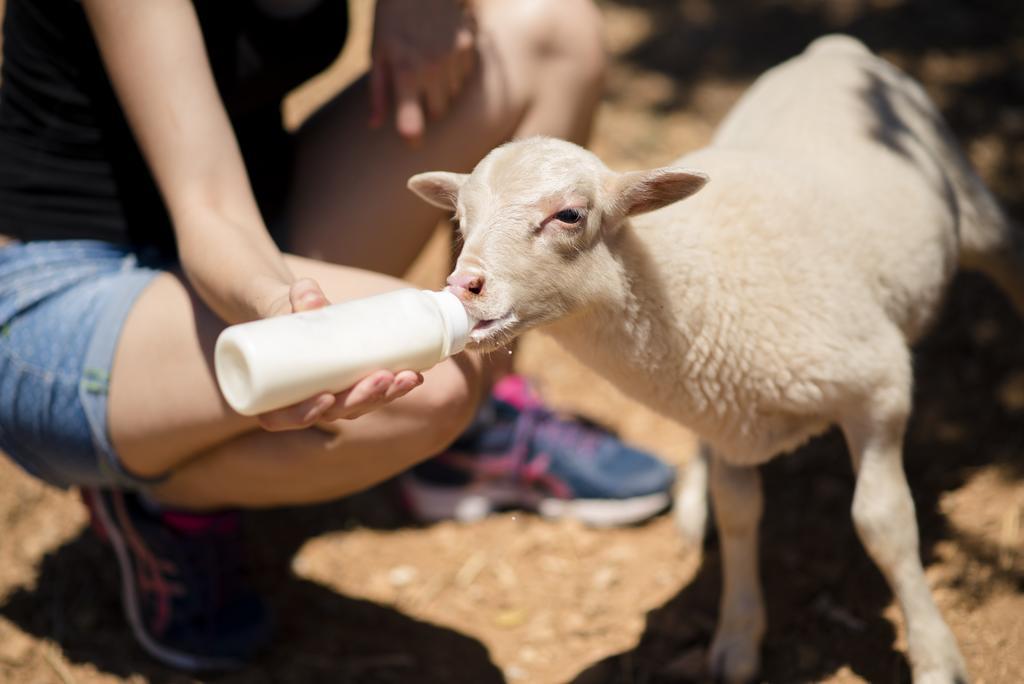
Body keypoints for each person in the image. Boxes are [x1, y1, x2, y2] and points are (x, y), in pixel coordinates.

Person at [0, 0, 676, 671]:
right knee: (434, 378)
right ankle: (166, 502)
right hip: (63, 290)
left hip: (256, 217)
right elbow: (209, 210)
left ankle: (478, 427)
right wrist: (286, 316)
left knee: (547, 34)